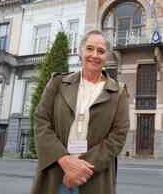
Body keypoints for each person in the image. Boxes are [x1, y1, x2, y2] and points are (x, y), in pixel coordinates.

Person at [31, 30, 130, 194]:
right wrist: (64, 160)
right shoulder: (58, 83)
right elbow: (42, 121)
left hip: (93, 177)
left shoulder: (118, 92)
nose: (95, 55)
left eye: (101, 51)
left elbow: (118, 136)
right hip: (57, 171)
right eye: (89, 49)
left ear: (107, 56)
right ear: (80, 51)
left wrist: (79, 169)